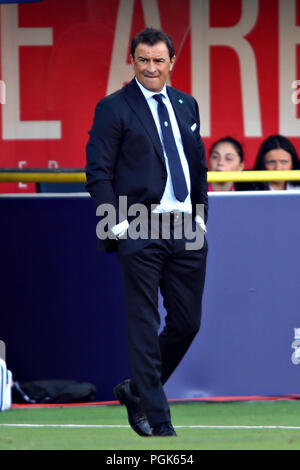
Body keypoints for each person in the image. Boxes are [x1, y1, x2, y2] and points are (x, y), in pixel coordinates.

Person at [85, 27, 208, 437]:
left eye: (159, 60)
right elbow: (98, 172)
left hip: (186, 226)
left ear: (172, 62)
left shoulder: (186, 104)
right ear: (132, 61)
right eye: (144, 60)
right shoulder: (113, 108)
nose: (152, 67)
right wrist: (116, 223)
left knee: (188, 323)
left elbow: (198, 167)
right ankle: (159, 419)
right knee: (143, 321)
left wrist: (202, 215)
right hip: (137, 224)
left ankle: (137, 390)